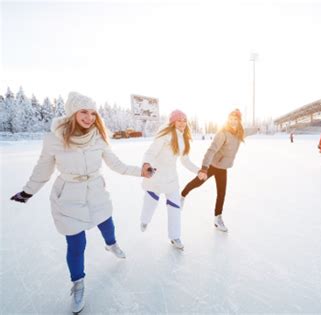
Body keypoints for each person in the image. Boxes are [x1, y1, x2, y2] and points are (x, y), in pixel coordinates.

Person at [10, 92, 151, 314]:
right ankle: (78, 283)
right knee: (76, 244)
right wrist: (28, 192)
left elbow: (117, 165)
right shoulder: (54, 139)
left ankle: (111, 244)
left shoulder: (98, 138)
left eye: (93, 113)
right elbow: (43, 169)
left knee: (106, 221)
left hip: (95, 190)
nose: (89, 117)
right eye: (83, 112)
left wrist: (140, 172)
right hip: (68, 195)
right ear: (72, 113)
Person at [140, 110, 200, 250]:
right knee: (150, 202)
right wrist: (146, 164)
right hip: (156, 175)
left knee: (175, 207)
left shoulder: (183, 138)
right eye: (179, 120)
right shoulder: (165, 135)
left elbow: (185, 160)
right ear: (172, 122)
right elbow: (151, 152)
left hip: (171, 178)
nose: (182, 123)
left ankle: (175, 236)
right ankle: (144, 220)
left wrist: (198, 170)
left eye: (184, 120)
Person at [180, 109, 245, 232]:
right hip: (212, 165)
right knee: (197, 182)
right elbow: (211, 150)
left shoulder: (239, 133)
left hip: (223, 168)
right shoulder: (223, 133)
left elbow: (249, 130)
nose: (232, 121)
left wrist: (257, 128)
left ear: (239, 121)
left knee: (221, 194)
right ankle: (182, 195)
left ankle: (217, 218)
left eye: (235, 119)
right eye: (230, 118)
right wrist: (204, 168)